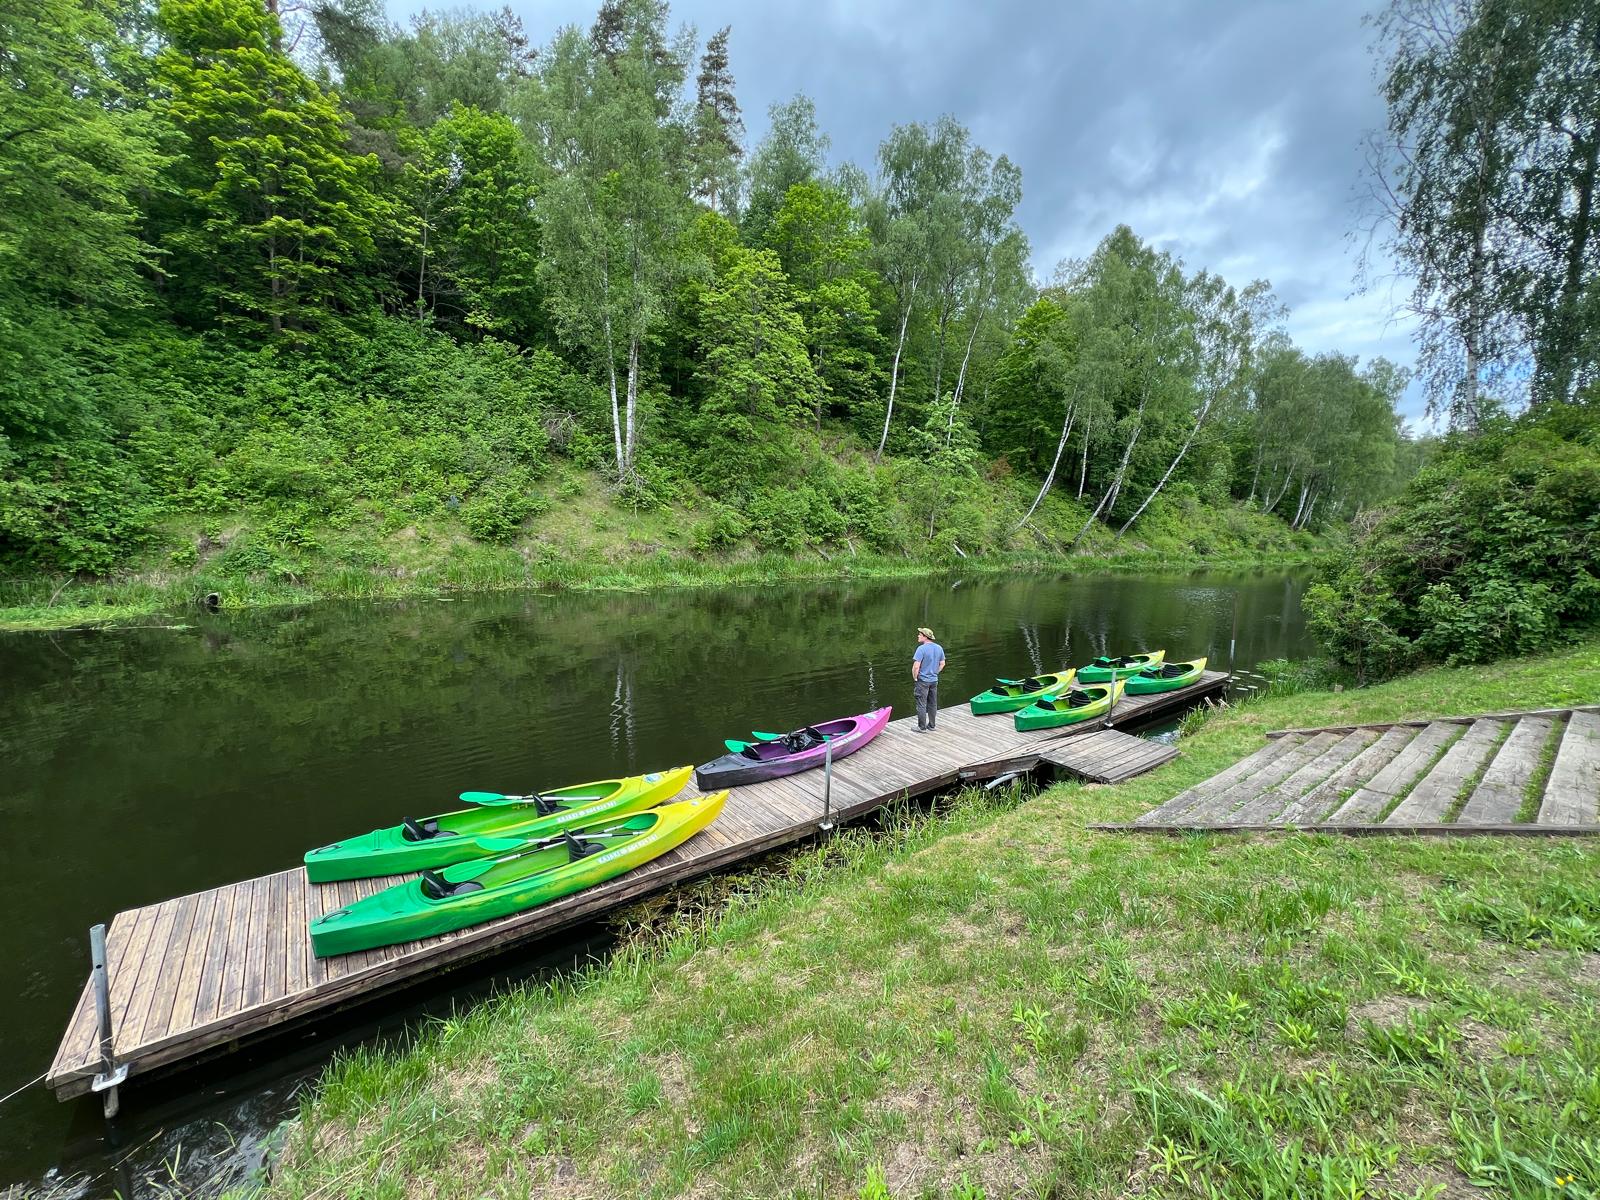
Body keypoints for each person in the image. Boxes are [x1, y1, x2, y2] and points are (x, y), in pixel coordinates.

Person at [911, 626, 946, 733]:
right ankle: (932, 725)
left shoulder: (921, 649)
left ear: (925, 637)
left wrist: (915, 677)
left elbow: (916, 666)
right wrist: (935, 672)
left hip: (923, 681)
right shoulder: (939, 648)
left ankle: (921, 727)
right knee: (932, 703)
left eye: (920, 634)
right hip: (934, 680)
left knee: (921, 704)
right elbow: (942, 664)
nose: (918, 635)